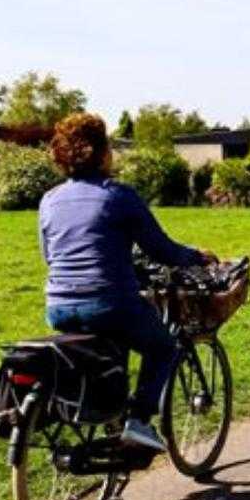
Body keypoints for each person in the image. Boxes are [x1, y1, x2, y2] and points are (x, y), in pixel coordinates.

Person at [38, 113, 213, 452]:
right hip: (109, 302)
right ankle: (139, 421)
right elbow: (161, 249)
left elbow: (51, 256)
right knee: (164, 347)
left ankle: (109, 421)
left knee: (110, 350)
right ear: (103, 153)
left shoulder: (49, 199)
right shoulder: (118, 195)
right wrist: (197, 256)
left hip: (58, 307)